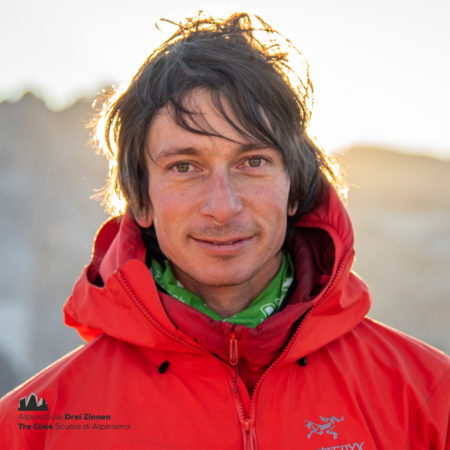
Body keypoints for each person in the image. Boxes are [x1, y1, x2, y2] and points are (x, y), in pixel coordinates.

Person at [0, 12, 448, 450]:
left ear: (295, 189)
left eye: (252, 162)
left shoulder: (430, 399)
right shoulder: (31, 427)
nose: (222, 206)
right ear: (140, 200)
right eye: (184, 166)